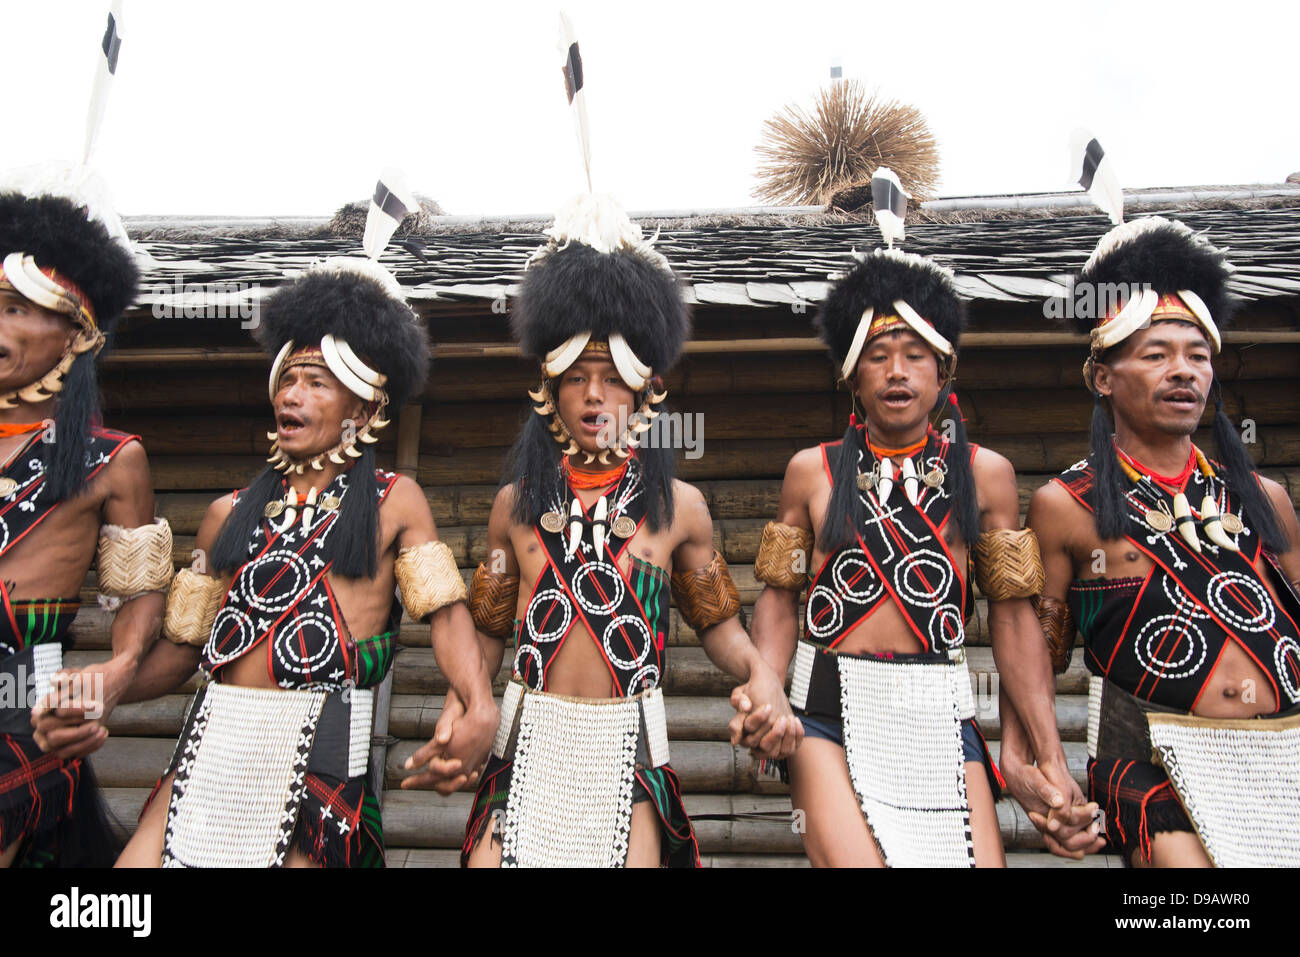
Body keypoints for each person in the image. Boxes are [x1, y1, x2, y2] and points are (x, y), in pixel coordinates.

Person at [110, 242, 497, 867]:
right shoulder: (225, 514)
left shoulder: (395, 501)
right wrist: (107, 685)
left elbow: (448, 615)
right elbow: (182, 650)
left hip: (320, 756)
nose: (293, 394)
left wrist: (478, 704)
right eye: (287, 379)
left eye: (316, 382)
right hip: (211, 747)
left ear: (365, 408)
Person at [461, 194, 800, 867]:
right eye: (578, 378)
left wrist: (762, 675)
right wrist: (464, 703)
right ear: (550, 390)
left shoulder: (682, 508)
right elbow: (486, 633)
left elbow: (718, 627)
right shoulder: (515, 506)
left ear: (646, 393)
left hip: (630, 750)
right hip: (526, 744)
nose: (594, 396)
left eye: (613, 380)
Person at [750, 240, 1079, 867]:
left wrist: (1049, 755)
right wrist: (765, 685)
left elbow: (1013, 620)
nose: (897, 371)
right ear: (852, 374)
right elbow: (778, 599)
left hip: (939, 707)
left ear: (943, 371)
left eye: (914, 355)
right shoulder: (811, 473)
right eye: (878, 356)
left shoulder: (988, 476)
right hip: (828, 707)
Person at [1002, 216, 1300, 867]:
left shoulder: (1265, 499)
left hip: (1284, 756)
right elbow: (1035, 648)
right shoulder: (1066, 507)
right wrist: (1030, 760)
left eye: (1197, 355)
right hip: (1150, 761)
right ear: (1103, 376)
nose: (1183, 370)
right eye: (1156, 353)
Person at [1, 182, 171, 867]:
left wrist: (121, 667)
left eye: (16, 308)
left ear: (75, 334)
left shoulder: (112, 460)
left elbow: (140, 593)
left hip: (21, 701)